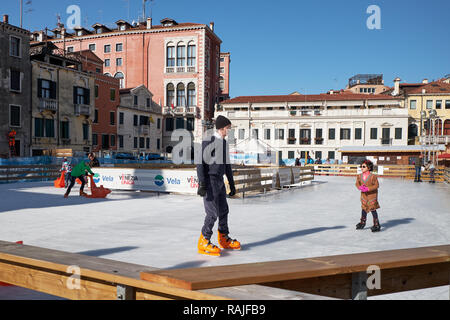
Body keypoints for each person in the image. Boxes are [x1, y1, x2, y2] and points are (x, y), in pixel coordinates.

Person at [196, 115, 240, 256]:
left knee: (223, 211)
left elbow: (227, 165)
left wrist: (231, 184)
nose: (229, 130)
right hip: (209, 181)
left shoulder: (224, 143)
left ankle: (223, 238)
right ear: (222, 128)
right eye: (228, 128)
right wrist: (202, 182)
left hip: (219, 181)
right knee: (212, 213)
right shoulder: (209, 141)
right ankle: (204, 240)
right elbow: (200, 162)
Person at [355, 160, 381, 232]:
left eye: (363, 166)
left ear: (368, 167)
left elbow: (376, 185)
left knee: (372, 208)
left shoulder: (373, 176)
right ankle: (362, 222)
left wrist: (368, 189)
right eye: (361, 166)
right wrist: (360, 187)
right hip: (364, 195)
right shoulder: (359, 176)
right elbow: (357, 183)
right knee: (364, 208)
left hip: (372, 195)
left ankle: (376, 224)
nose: (361, 168)